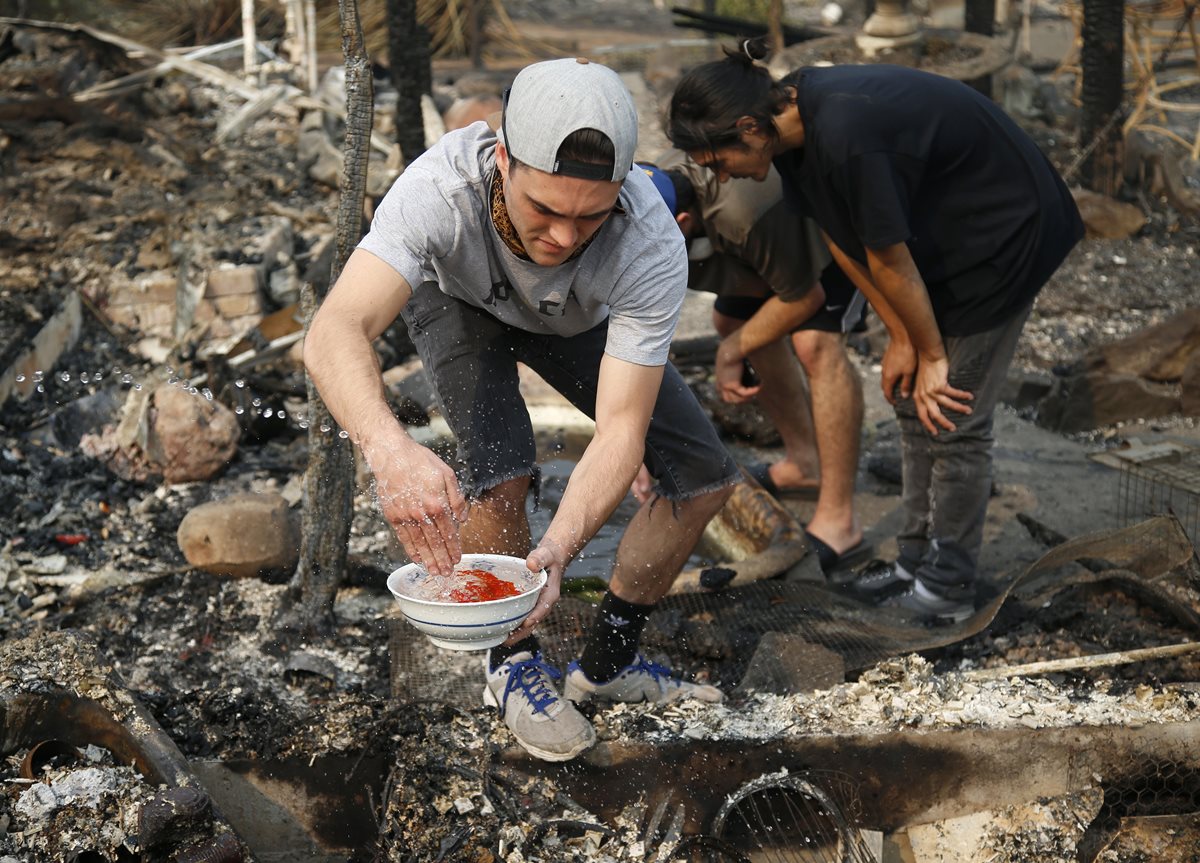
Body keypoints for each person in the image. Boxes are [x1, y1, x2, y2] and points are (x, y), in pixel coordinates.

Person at [304, 57, 734, 763]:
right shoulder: (439, 189)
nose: (564, 237)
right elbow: (334, 330)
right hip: (463, 301)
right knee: (501, 469)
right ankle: (511, 664)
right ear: (502, 158)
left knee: (703, 477)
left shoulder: (649, 240)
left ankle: (608, 665)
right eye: (546, 210)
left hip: (580, 320)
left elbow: (622, 426)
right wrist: (388, 449)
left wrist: (560, 548)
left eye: (590, 216)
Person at [667, 43, 1084, 623]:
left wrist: (932, 351)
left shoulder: (844, 134)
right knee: (912, 400)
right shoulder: (786, 127)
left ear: (746, 128)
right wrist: (901, 337)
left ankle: (948, 589)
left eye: (718, 162)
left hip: (1005, 232)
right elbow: (843, 237)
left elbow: (886, 256)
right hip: (939, 234)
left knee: (954, 417)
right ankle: (914, 562)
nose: (720, 176)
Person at [638, 157, 870, 573]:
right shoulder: (650, 204)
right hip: (763, 250)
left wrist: (730, 353)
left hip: (827, 235)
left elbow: (805, 297)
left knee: (815, 343)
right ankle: (804, 465)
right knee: (733, 320)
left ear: (683, 222)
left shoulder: (742, 214)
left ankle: (841, 522)